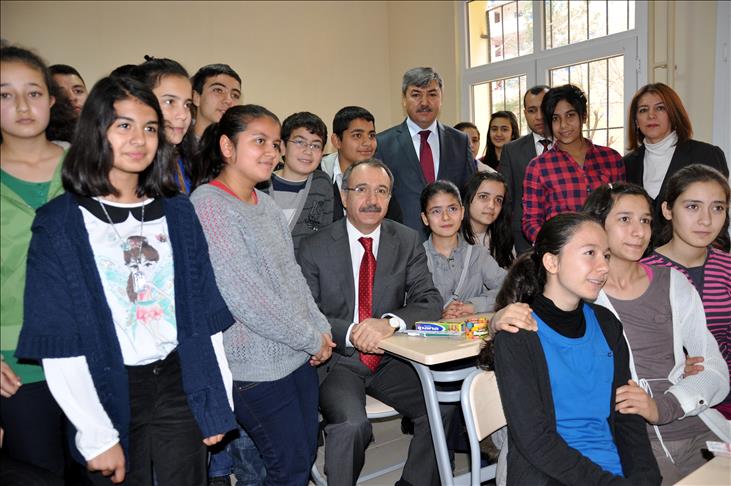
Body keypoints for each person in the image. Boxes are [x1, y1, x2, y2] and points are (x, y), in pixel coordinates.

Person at [16, 75, 237, 485]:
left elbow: (206, 320)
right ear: (96, 131)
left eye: (150, 128)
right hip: (107, 382)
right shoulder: (59, 224)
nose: (139, 139)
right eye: (124, 125)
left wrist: (215, 401)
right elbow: (61, 346)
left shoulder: (178, 213)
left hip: (179, 380)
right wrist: (95, 433)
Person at [191, 104, 334, 486]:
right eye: (259, 141)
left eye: (274, 143)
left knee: (301, 460)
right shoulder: (209, 205)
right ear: (227, 146)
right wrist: (310, 338)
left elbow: (291, 275)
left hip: (297, 356)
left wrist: (320, 327)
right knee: (287, 469)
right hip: (254, 367)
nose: (271, 152)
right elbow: (246, 296)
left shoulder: (265, 203)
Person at [479, 212, 661, 485]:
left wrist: (646, 477)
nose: (604, 267)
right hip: (550, 475)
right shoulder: (519, 335)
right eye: (590, 253)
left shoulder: (606, 324)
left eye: (606, 256)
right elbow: (536, 442)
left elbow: (627, 414)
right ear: (552, 262)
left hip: (612, 471)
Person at [297, 159, 444, 486]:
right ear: (344, 196)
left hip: (391, 358)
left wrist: (389, 323)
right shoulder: (314, 246)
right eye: (361, 189)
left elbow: (430, 300)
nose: (372, 200)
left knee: (443, 407)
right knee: (351, 425)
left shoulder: (406, 239)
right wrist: (352, 332)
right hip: (339, 361)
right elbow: (306, 312)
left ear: (390, 198)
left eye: (381, 191)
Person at [584, 182, 729, 484]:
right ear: (597, 225)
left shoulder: (673, 283)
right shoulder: (583, 293)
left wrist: (663, 406)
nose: (639, 231)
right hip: (632, 442)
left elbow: (715, 371)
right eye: (625, 219)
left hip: (695, 425)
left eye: (645, 220)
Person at [0, 45, 69, 481]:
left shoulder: (87, 168)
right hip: (16, 363)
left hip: (89, 350)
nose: (23, 106)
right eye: (5, 94)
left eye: (33, 93)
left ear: (51, 100)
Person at [641, 165, 731, 419]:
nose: (706, 220)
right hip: (666, 403)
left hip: (725, 398)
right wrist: (676, 364)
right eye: (693, 206)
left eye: (717, 208)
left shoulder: (727, 267)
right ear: (667, 210)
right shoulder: (642, 274)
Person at [375, 67, 474, 233]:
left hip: (451, 239)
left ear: (441, 97)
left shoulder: (459, 141)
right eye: (416, 95)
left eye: (432, 94)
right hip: (402, 240)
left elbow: (469, 194)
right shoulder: (383, 143)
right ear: (404, 99)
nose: (424, 102)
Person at [522, 84, 625, 244]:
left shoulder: (611, 158)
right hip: (563, 252)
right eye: (555, 118)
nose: (563, 125)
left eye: (570, 115)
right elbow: (531, 222)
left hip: (607, 249)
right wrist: (555, 247)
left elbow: (624, 210)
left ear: (584, 116)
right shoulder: (538, 166)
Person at [622, 83, 729, 230]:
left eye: (660, 108)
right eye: (643, 110)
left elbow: (720, 216)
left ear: (673, 115)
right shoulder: (626, 164)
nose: (651, 115)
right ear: (636, 121)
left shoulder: (706, 155)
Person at [420, 180, 506, 319]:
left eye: (452, 209)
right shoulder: (416, 258)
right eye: (436, 211)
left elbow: (509, 287)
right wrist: (437, 312)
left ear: (462, 212)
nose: (446, 217)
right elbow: (408, 303)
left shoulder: (478, 255)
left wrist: (474, 306)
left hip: (471, 331)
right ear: (425, 218)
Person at [261, 111, 333, 253]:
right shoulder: (260, 183)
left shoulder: (322, 184)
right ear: (282, 147)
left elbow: (325, 237)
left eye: (315, 145)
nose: (308, 151)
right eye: (300, 142)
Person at [321, 106, 402, 222]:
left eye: (371, 136)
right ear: (337, 141)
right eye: (357, 135)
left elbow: (393, 224)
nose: (367, 143)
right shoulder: (318, 175)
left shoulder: (381, 177)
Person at [499, 85, 551, 253]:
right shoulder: (511, 150)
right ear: (525, 113)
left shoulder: (569, 146)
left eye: (543, 108)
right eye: (532, 110)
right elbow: (506, 197)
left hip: (565, 234)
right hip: (523, 238)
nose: (539, 116)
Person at [134, 56, 197, 194]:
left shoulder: (188, 163)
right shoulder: (129, 168)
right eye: (170, 102)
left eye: (187, 104)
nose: (183, 115)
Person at [461, 171, 514, 269]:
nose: (491, 205)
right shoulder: (452, 239)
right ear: (467, 199)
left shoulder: (503, 239)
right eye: (483, 196)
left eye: (498, 200)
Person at [191, 63, 241, 139]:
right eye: (218, 90)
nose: (228, 100)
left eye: (235, 95)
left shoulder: (240, 143)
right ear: (196, 97)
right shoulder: (175, 140)